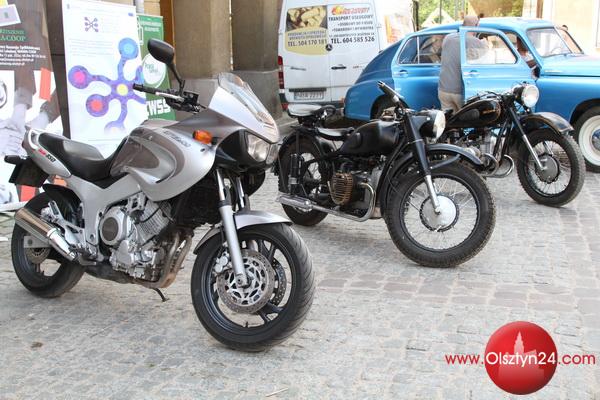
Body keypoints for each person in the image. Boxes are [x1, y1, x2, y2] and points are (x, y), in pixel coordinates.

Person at [438, 15, 486, 112]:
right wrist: (486, 44)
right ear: (476, 26)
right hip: (460, 91)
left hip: (443, 89)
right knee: (465, 119)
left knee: (448, 119)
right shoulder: (475, 41)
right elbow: (483, 59)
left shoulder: (448, 38)